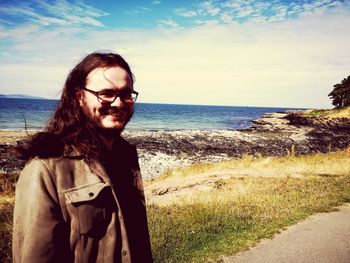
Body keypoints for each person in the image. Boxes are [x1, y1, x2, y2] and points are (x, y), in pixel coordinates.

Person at [13, 52, 153, 263]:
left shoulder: (125, 158)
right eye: (106, 93)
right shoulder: (46, 169)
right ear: (79, 97)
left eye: (125, 94)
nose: (118, 103)